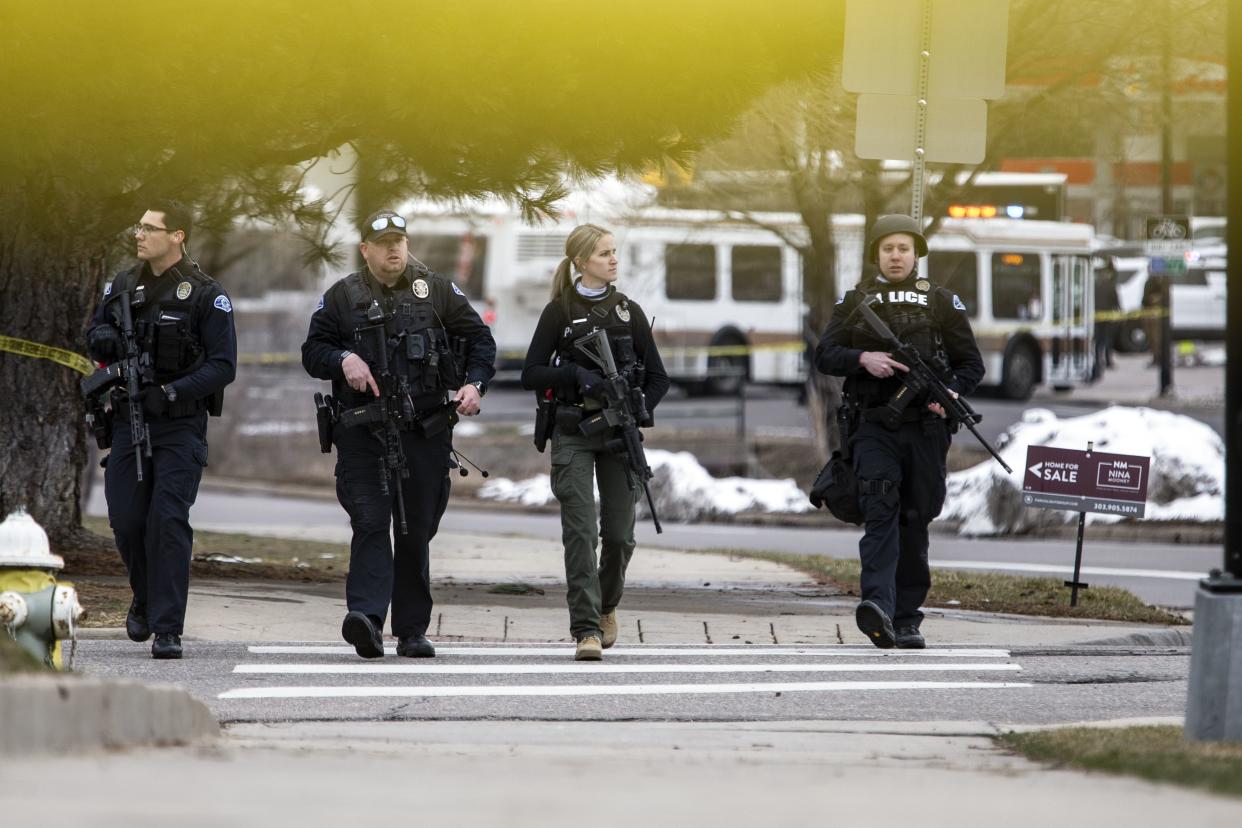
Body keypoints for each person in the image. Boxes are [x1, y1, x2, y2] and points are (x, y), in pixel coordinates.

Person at [302, 209, 496, 660]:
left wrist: (474, 385)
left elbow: (481, 343)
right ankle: (366, 619)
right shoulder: (342, 296)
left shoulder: (438, 291)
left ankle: (411, 630)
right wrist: (342, 360)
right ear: (365, 249)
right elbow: (313, 351)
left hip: (425, 430)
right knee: (370, 521)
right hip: (364, 430)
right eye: (383, 242)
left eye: (400, 241)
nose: (393, 249)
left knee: (416, 528)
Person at [815, 215, 983, 650]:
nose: (895, 256)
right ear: (877, 254)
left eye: (903, 249)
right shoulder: (856, 301)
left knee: (916, 517)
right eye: (888, 248)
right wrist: (862, 359)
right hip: (874, 425)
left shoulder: (942, 302)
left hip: (926, 428)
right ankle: (878, 608)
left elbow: (972, 365)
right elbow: (825, 354)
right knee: (879, 510)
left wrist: (948, 391)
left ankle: (907, 618)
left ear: (916, 255)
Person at [85, 200, 237, 659]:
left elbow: (222, 366)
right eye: (139, 226)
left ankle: (168, 628)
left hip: (179, 426)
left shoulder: (207, 295)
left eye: (151, 228)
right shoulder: (122, 286)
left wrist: (171, 393)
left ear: (178, 236)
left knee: (167, 521)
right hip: (128, 420)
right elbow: (96, 335)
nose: (140, 234)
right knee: (128, 521)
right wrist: (103, 341)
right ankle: (146, 598)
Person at [521, 224, 669, 661]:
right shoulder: (559, 312)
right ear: (581, 262)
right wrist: (574, 374)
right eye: (604, 254)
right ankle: (585, 628)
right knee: (581, 532)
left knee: (621, 536)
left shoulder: (628, 312)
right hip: (574, 433)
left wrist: (639, 406)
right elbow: (530, 372)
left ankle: (606, 608)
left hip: (618, 436)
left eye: (614, 252)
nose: (613, 260)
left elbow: (659, 376)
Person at [1093, 263, 1120, 380]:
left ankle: (1098, 360)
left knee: (1099, 341)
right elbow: (1116, 302)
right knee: (1106, 340)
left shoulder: (1095, 286)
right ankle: (1107, 360)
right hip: (1107, 317)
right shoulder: (1110, 285)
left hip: (1096, 316)